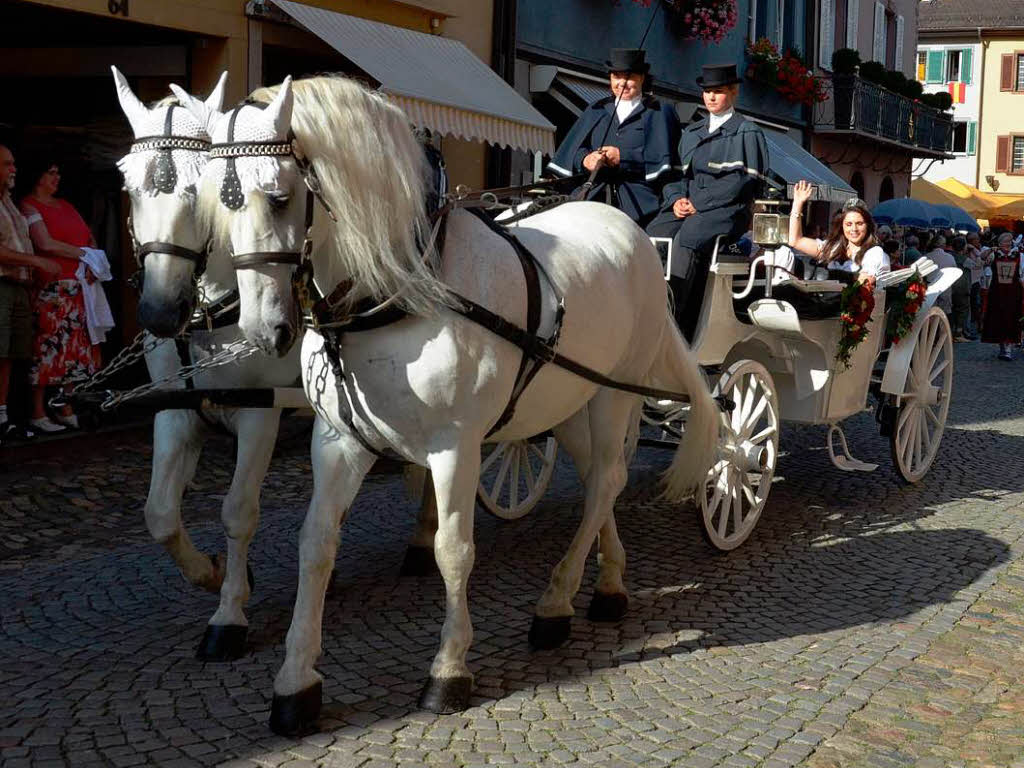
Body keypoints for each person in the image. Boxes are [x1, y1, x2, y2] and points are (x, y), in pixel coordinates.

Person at [646, 62, 767, 340]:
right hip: (689, 204)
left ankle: (676, 326)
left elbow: (743, 182)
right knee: (653, 234)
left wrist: (699, 202)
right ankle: (646, 308)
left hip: (726, 210)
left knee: (688, 239)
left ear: (733, 93)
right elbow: (675, 175)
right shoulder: (692, 132)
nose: (711, 97)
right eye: (707, 92)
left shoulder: (747, 132)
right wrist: (676, 199)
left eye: (719, 91)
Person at [547, 48, 680, 228]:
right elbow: (573, 151)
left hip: (639, 202)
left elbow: (666, 160)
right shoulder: (596, 109)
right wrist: (586, 160)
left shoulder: (660, 112)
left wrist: (623, 157)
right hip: (593, 195)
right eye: (616, 76)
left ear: (642, 78)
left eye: (629, 77)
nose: (622, 83)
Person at [19, 159, 101, 432]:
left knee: (73, 350)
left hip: (78, 287)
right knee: (47, 348)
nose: (57, 177)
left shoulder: (67, 205)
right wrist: (85, 255)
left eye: (58, 172)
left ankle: (65, 406)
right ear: (37, 176)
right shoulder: (29, 205)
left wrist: (91, 259)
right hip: (51, 289)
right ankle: (38, 411)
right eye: (50, 172)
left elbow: (89, 237)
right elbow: (45, 243)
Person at [0, 144, 60, 442]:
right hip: (3, 284)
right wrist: (35, 260)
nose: (14, 170)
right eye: (7, 164)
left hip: (21, 286)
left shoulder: (9, 202)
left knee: (14, 353)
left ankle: (6, 417)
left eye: (13, 164)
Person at [787, 182, 889, 290]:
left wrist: (832, 275)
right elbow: (795, 241)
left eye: (859, 223)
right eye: (849, 224)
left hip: (855, 305)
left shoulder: (875, 252)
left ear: (868, 226)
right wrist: (797, 204)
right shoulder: (833, 248)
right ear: (842, 226)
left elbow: (864, 283)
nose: (854, 229)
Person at [981, 232, 1024, 361]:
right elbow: (982, 259)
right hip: (997, 292)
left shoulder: (1020, 256)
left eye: (1007, 243)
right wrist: (989, 250)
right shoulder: (994, 254)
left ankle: (1008, 349)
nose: (1005, 245)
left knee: (1011, 319)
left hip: (1013, 292)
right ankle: (1002, 347)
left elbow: (1022, 275)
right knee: (998, 319)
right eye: (1002, 243)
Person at [948, 236, 972, 342]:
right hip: (962, 287)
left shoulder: (950, 256)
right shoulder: (964, 259)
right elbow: (978, 265)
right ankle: (958, 333)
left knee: (953, 310)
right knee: (962, 310)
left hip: (951, 285)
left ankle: (951, 331)